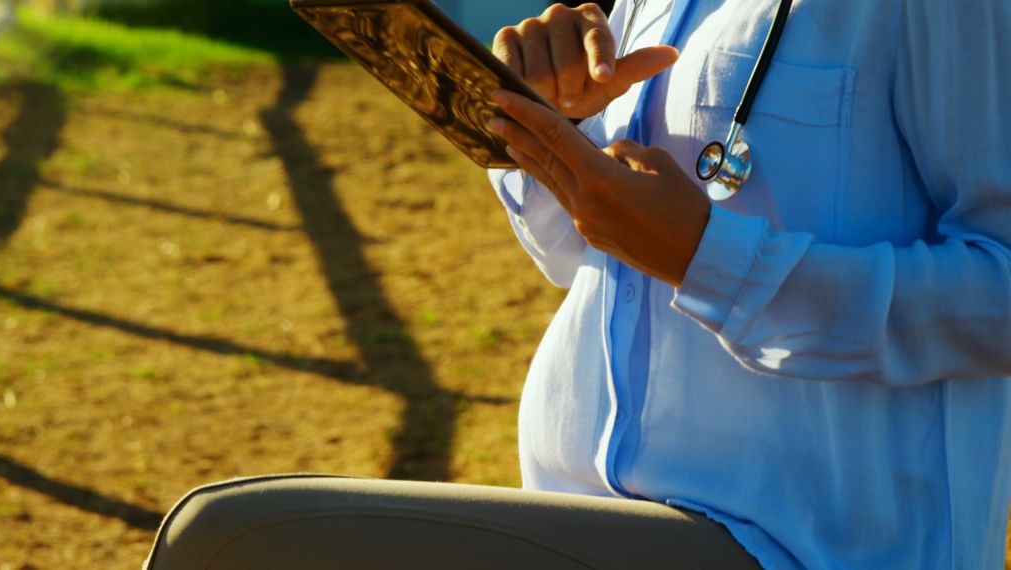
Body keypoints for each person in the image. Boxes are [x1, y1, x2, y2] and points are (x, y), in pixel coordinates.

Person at [145, 1, 1011, 568]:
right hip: (576, 505)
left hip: (796, 547)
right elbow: (590, 263)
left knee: (230, 547)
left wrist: (709, 258)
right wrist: (547, 128)